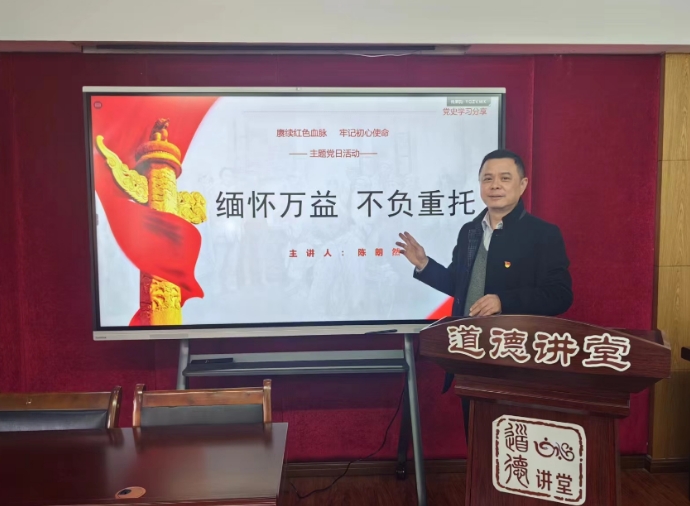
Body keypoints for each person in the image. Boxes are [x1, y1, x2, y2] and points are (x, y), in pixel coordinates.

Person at [396, 149, 573, 441]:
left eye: (505, 178)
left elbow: (560, 295)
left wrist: (504, 301)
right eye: (487, 179)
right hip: (472, 356)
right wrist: (425, 265)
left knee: (515, 444)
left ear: (523, 184)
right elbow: (460, 286)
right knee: (478, 441)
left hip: (517, 360)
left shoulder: (543, 234)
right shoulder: (470, 232)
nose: (495, 185)